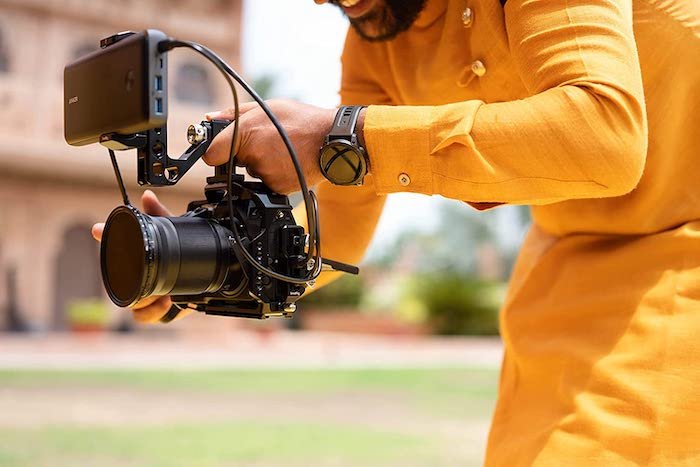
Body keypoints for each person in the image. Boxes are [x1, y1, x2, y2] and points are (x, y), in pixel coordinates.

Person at [93, 0, 700, 464]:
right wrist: (203, 269)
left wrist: (345, 136)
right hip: (563, 282)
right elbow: (338, 240)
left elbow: (604, 136)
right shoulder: (376, 40)